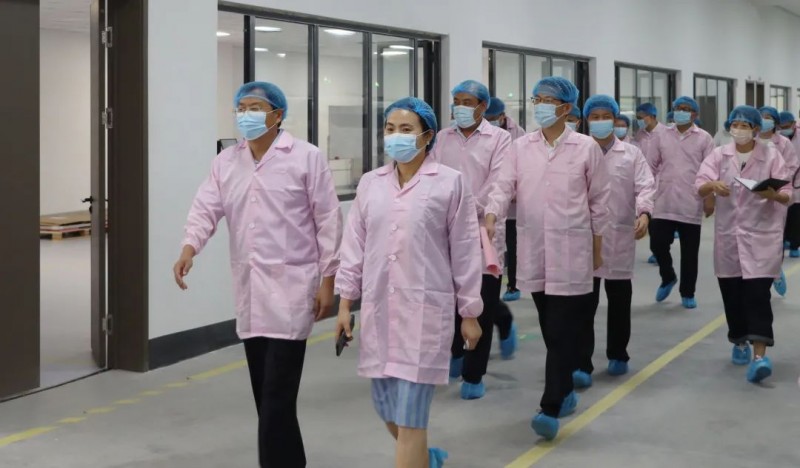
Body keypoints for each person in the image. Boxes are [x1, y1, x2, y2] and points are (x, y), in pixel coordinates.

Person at [174, 81, 342, 468]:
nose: (245, 115)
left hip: (293, 289)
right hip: (250, 291)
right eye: (241, 108)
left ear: (277, 115)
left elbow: (328, 221)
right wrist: (189, 248)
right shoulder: (227, 162)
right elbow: (205, 208)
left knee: (277, 395)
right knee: (266, 396)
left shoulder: (306, 157)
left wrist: (328, 281)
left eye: (255, 108)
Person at [335, 97, 483, 468]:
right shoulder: (371, 183)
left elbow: (465, 250)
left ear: (427, 136)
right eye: (390, 129)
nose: (395, 136)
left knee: (411, 419)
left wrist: (469, 312)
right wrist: (344, 304)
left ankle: (416, 456)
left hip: (425, 313)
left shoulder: (450, 183)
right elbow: (353, 246)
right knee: (387, 408)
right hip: (380, 311)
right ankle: (426, 459)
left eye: (405, 129)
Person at [484, 76, 610, 440]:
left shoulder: (586, 148)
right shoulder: (520, 147)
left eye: (547, 100)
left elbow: (599, 201)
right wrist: (492, 213)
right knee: (549, 326)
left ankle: (550, 405)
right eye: (536, 98)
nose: (539, 105)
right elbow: (503, 186)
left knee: (561, 327)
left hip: (573, 251)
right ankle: (565, 390)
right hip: (535, 248)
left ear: (566, 108)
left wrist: (597, 247)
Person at [433, 80, 516, 399]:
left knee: (480, 303)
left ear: (483, 106)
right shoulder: (442, 138)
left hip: (485, 229)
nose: (460, 107)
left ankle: (474, 373)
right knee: (452, 300)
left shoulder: (500, 139)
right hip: (446, 229)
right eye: (456, 101)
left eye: (467, 102)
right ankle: (457, 350)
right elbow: (433, 175)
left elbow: (500, 182)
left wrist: (470, 208)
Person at [695, 105, 791, 384]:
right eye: (734, 124)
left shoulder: (772, 155)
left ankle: (760, 357)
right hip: (729, 238)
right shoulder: (719, 154)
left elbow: (787, 192)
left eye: (744, 125)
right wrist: (713, 185)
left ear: (756, 129)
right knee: (733, 295)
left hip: (762, 237)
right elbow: (699, 183)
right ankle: (738, 340)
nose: (738, 129)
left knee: (758, 296)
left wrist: (774, 195)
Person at [573, 95, 655, 389]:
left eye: (605, 116)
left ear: (616, 118)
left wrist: (644, 213)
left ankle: (618, 353)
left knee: (619, 300)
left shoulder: (631, 154)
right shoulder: (577, 151)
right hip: (584, 236)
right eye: (594, 117)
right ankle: (581, 363)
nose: (600, 122)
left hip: (620, 234)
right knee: (584, 304)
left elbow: (645, 186)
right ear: (586, 121)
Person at [759, 106, 799, 295]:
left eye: (768, 117)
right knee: (755, 239)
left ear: (775, 122)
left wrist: (776, 183)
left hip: (777, 195)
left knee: (775, 239)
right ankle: (759, 276)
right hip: (754, 196)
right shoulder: (751, 140)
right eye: (761, 117)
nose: (764, 120)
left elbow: (791, 166)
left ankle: (775, 271)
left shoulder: (783, 143)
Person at [634, 103, 668, 265]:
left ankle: (660, 252)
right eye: (637, 118)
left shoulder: (665, 134)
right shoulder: (639, 134)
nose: (639, 120)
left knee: (659, 221)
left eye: (641, 117)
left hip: (660, 181)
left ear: (652, 116)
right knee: (647, 215)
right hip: (643, 181)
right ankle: (656, 250)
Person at [779, 111, 800, 257]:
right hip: (781, 179)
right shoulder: (777, 139)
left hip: (798, 181)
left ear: (793, 124)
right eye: (782, 127)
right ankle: (785, 239)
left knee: (796, 215)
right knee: (782, 214)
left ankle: (794, 245)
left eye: (786, 126)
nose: (784, 129)